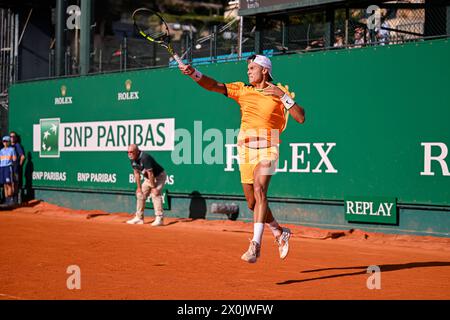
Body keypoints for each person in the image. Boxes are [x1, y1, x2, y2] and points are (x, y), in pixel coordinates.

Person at [179, 54, 305, 263]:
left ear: (264, 70)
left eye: (252, 68)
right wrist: (194, 73)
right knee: (252, 203)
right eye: (248, 69)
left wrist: (284, 96)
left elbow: (300, 118)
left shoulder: (278, 92)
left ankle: (255, 246)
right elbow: (214, 86)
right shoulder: (243, 90)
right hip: (245, 151)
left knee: (259, 189)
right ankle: (278, 232)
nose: (248, 71)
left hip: (269, 147)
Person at [126, 144, 167, 226]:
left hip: (159, 176)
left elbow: (150, 173)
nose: (129, 154)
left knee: (155, 193)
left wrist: (153, 187)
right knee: (140, 194)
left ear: (137, 152)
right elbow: (136, 173)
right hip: (149, 178)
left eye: (131, 152)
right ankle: (139, 218)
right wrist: (138, 188)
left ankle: (159, 218)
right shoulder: (132, 158)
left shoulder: (145, 157)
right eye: (128, 152)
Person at [0, 136, 17, 205]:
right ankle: (6, 200)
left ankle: (11, 199)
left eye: (6, 141)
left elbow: (14, 159)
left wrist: (11, 163)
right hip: (2, 167)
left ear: (9, 142)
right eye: (4, 141)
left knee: (9, 184)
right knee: (4, 184)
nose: (5, 143)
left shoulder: (12, 150)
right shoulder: (1, 151)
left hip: (8, 167)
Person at [10, 131, 25, 204]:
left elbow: (22, 156)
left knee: (15, 183)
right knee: (9, 183)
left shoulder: (17, 145)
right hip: (8, 168)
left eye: (13, 136)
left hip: (15, 168)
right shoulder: (8, 146)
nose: (12, 138)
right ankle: (9, 199)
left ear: (16, 138)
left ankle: (15, 200)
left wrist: (19, 165)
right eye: (11, 136)